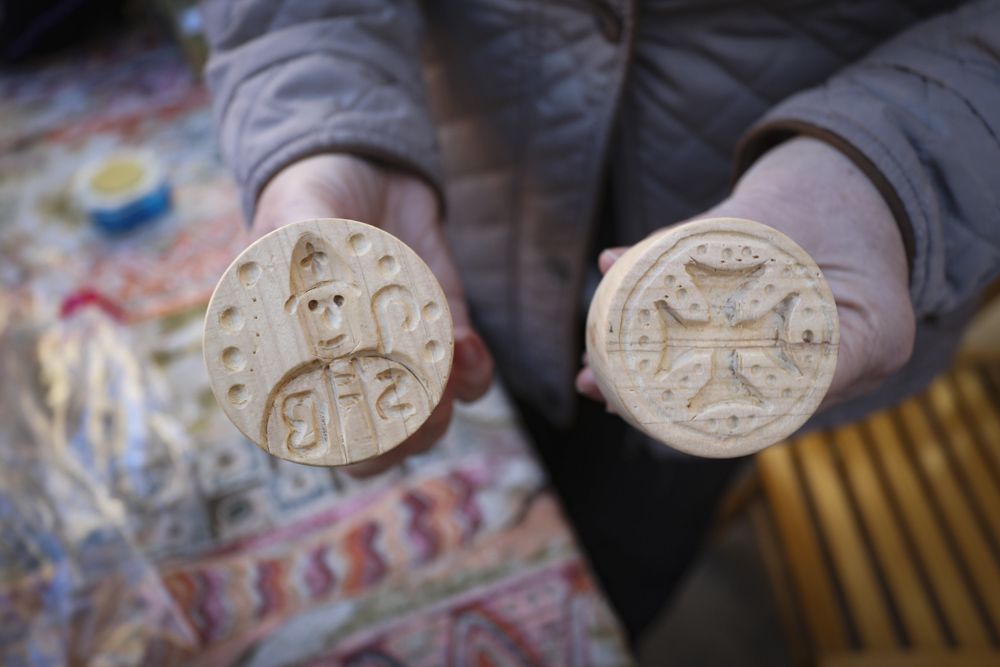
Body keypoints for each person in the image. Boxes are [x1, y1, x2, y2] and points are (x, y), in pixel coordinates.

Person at [201, 0, 1000, 643]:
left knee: (619, 567)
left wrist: (894, 173)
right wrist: (320, 135)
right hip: (470, 222)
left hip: (775, 305)